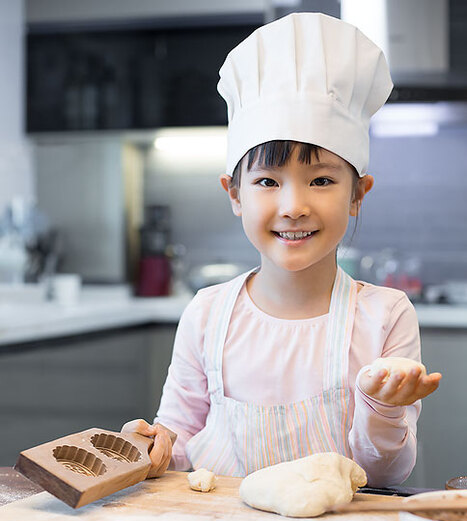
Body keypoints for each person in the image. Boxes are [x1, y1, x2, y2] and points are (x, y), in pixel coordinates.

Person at [123, 12, 441, 486]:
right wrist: (152, 444)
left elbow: (384, 475)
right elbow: (180, 439)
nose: (293, 206)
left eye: (321, 180)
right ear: (234, 194)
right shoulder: (207, 315)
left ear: (358, 194)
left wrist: (384, 408)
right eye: (268, 181)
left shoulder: (385, 317)